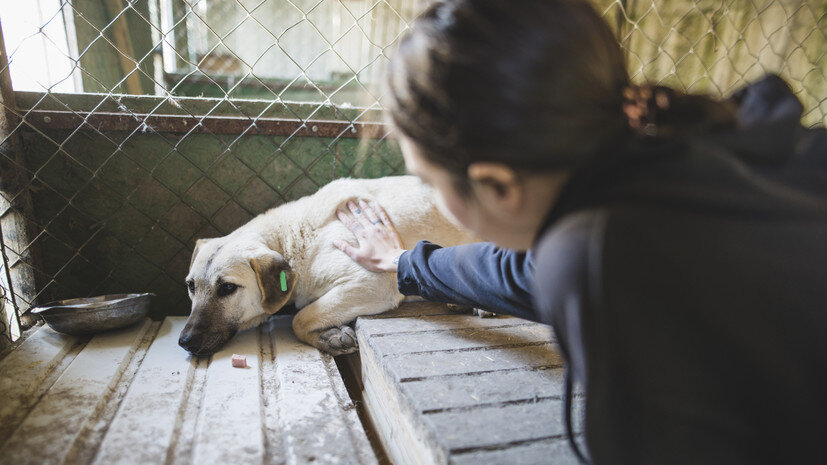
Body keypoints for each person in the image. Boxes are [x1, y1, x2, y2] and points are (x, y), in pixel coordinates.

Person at [332, 0, 827, 463]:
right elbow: (521, 272)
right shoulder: (693, 155)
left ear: (497, 184)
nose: (431, 195)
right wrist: (405, 263)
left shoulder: (596, 252)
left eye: (428, 181)